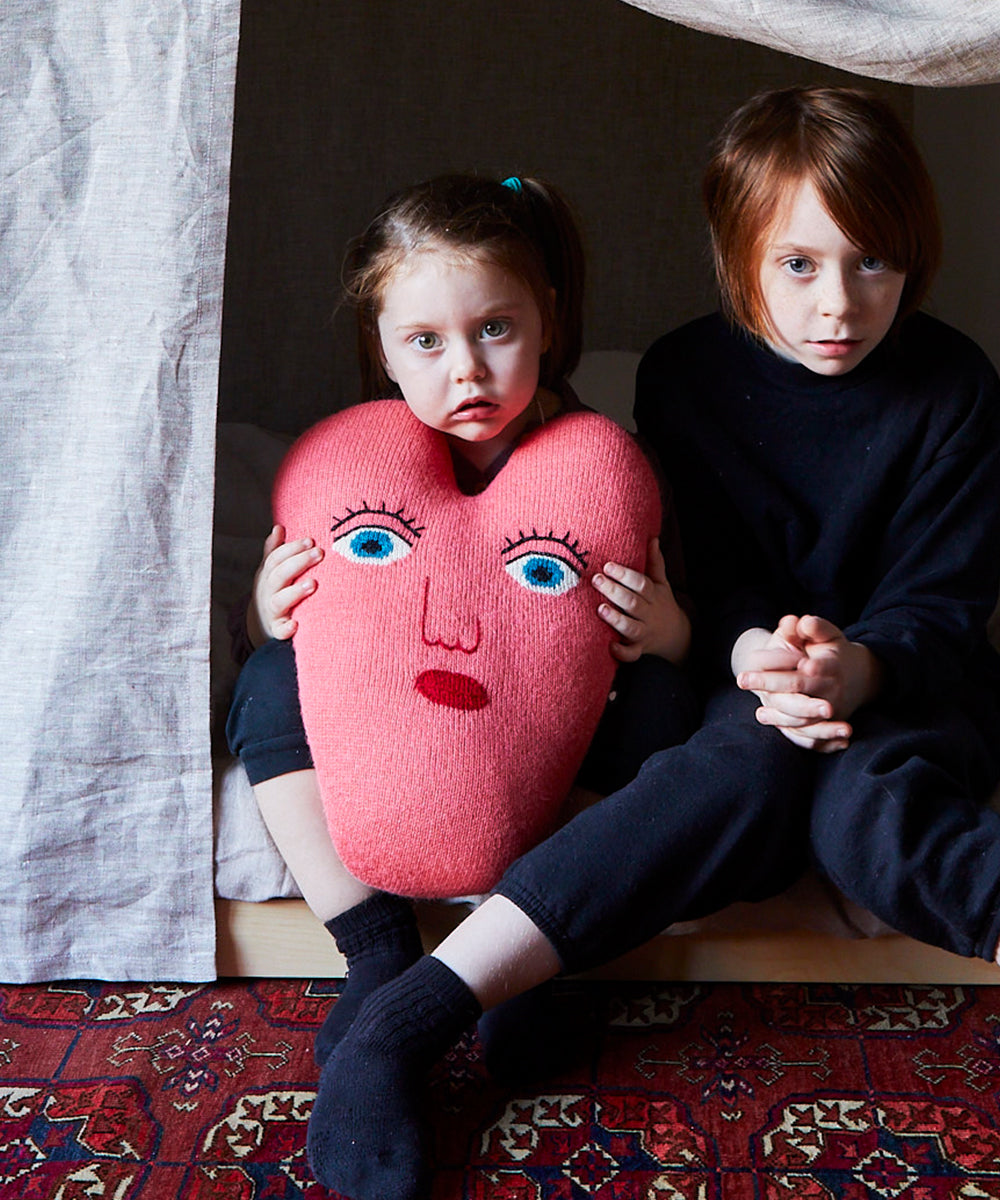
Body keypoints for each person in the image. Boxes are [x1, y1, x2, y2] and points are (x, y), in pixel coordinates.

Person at [304, 86, 1000, 1200]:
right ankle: (410, 1018)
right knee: (740, 765)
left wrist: (854, 666)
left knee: (876, 818)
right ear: (738, 256)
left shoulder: (956, 386)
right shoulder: (687, 377)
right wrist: (747, 655)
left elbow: (946, 598)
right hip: (751, 687)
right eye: (799, 266)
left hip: (900, 684)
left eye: (873, 264)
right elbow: (702, 575)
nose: (838, 304)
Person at [226, 173, 694, 1067]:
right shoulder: (354, 469)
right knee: (264, 685)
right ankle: (374, 945)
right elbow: (306, 633)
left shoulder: (599, 467)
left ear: (546, 320)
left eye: (495, 329)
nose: (467, 369)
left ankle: (533, 932)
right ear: (385, 351)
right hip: (398, 717)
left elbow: (670, 624)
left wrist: (667, 630)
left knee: (664, 702)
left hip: (539, 724)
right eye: (426, 342)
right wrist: (265, 612)